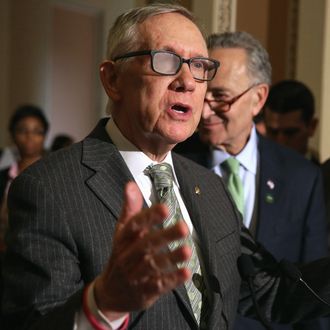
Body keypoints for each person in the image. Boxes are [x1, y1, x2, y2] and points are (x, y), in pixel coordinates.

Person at [2, 5, 330, 330]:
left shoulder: (210, 187)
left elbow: (266, 291)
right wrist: (102, 305)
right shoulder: (48, 189)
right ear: (113, 79)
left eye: (200, 65)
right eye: (166, 61)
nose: (187, 81)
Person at [175, 31, 328, 330]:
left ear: (258, 99)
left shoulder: (302, 177)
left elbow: (309, 292)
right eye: (201, 94)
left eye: (220, 97)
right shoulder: (172, 163)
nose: (204, 111)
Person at [0, 104, 49, 252]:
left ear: (45, 136)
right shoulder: (3, 175)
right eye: (22, 130)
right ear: (13, 135)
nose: (30, 137)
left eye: (37, 131)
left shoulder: (54, 173)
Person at [264, 79, 319, 164]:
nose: (280, 142)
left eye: (290, 133)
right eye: (273, 132)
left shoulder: (323, 175)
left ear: (312, 126)